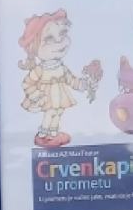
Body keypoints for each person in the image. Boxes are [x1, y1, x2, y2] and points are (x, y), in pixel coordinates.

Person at [18, 10, 102, 148]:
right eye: (49, 39)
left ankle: (52, 133)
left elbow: (72, 80)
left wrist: (85, 84)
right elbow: (27, 83)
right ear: (34, 48)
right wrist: (36, 95)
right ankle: (42, 134)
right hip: (46, 96)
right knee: (50, 112)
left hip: (60, 96)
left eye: (62, 34)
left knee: (58, 112)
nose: (59, 42)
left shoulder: (61, 67)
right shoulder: (40, 69)